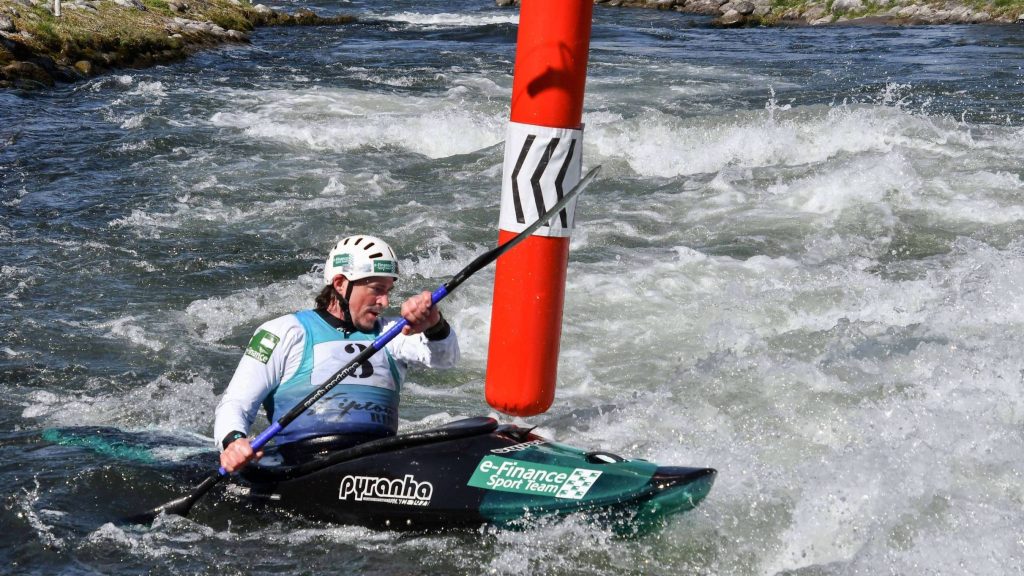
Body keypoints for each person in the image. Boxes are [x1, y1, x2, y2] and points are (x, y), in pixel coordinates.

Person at [214, 234, 459, 473]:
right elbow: (236, 402)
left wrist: (434, 323)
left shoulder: (394, 332)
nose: (384, 302)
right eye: (376, 289)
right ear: (340, 284)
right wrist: (233, 441)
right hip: (301, 466)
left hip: (379, 462)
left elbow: (446, 359)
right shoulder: (284, 332)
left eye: (388, 291)